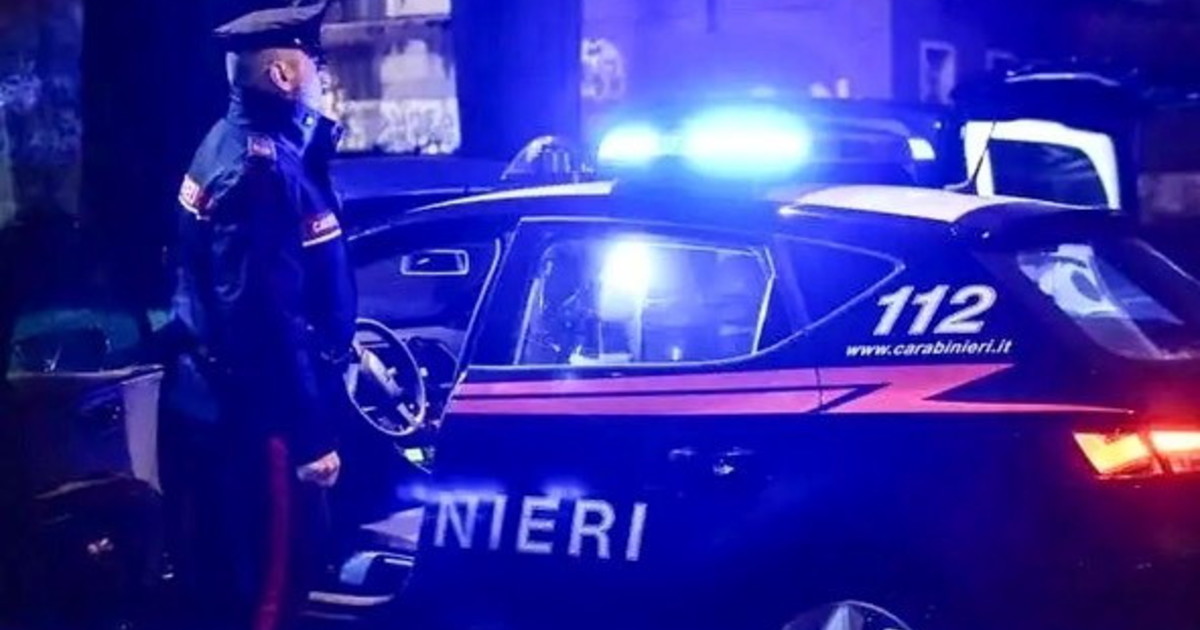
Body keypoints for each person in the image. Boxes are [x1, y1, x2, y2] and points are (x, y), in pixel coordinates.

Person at [164, 3, 357, 629]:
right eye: (313, 61)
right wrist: (310, 435)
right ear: (282, 74)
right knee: (273, 589)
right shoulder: (262, 174)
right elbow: (267, 320)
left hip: (233, 406)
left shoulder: (229, 143)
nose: (322, 74)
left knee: (251, 582)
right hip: (264, 419)